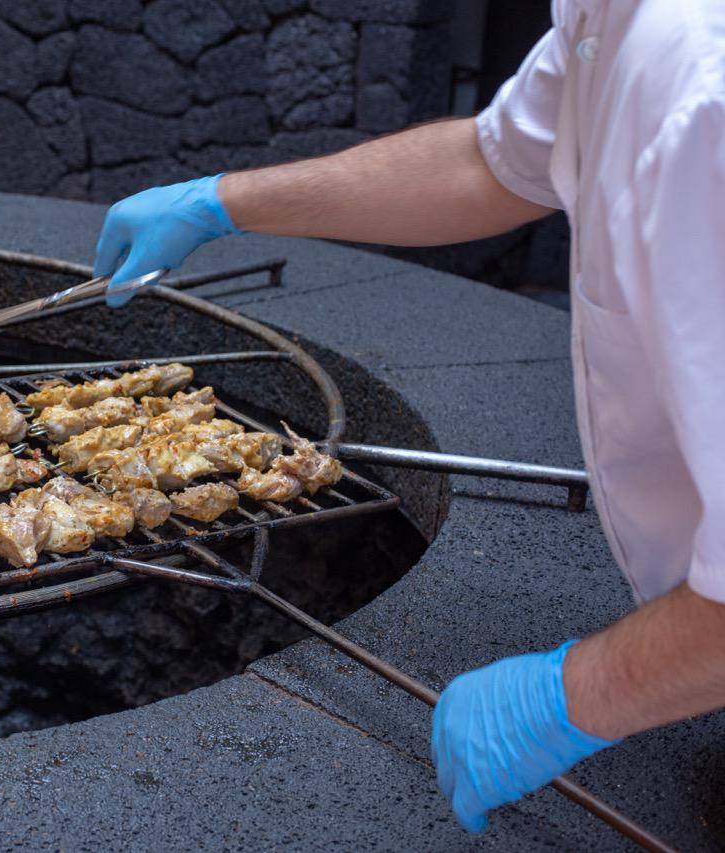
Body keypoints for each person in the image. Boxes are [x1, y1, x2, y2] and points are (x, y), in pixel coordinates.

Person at [91, 0, 725, 833]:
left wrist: (576, 694)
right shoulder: (613, 18)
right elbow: (490, 162)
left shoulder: (701, 85)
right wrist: (222, 201)